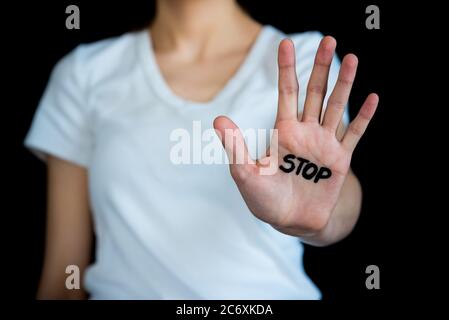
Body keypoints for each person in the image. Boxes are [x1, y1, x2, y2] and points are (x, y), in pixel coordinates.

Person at [25, 0, 378, 299]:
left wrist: (317, 219)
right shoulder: (84, 73)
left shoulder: (301, 58)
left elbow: (338, 194)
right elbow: (62, 276)